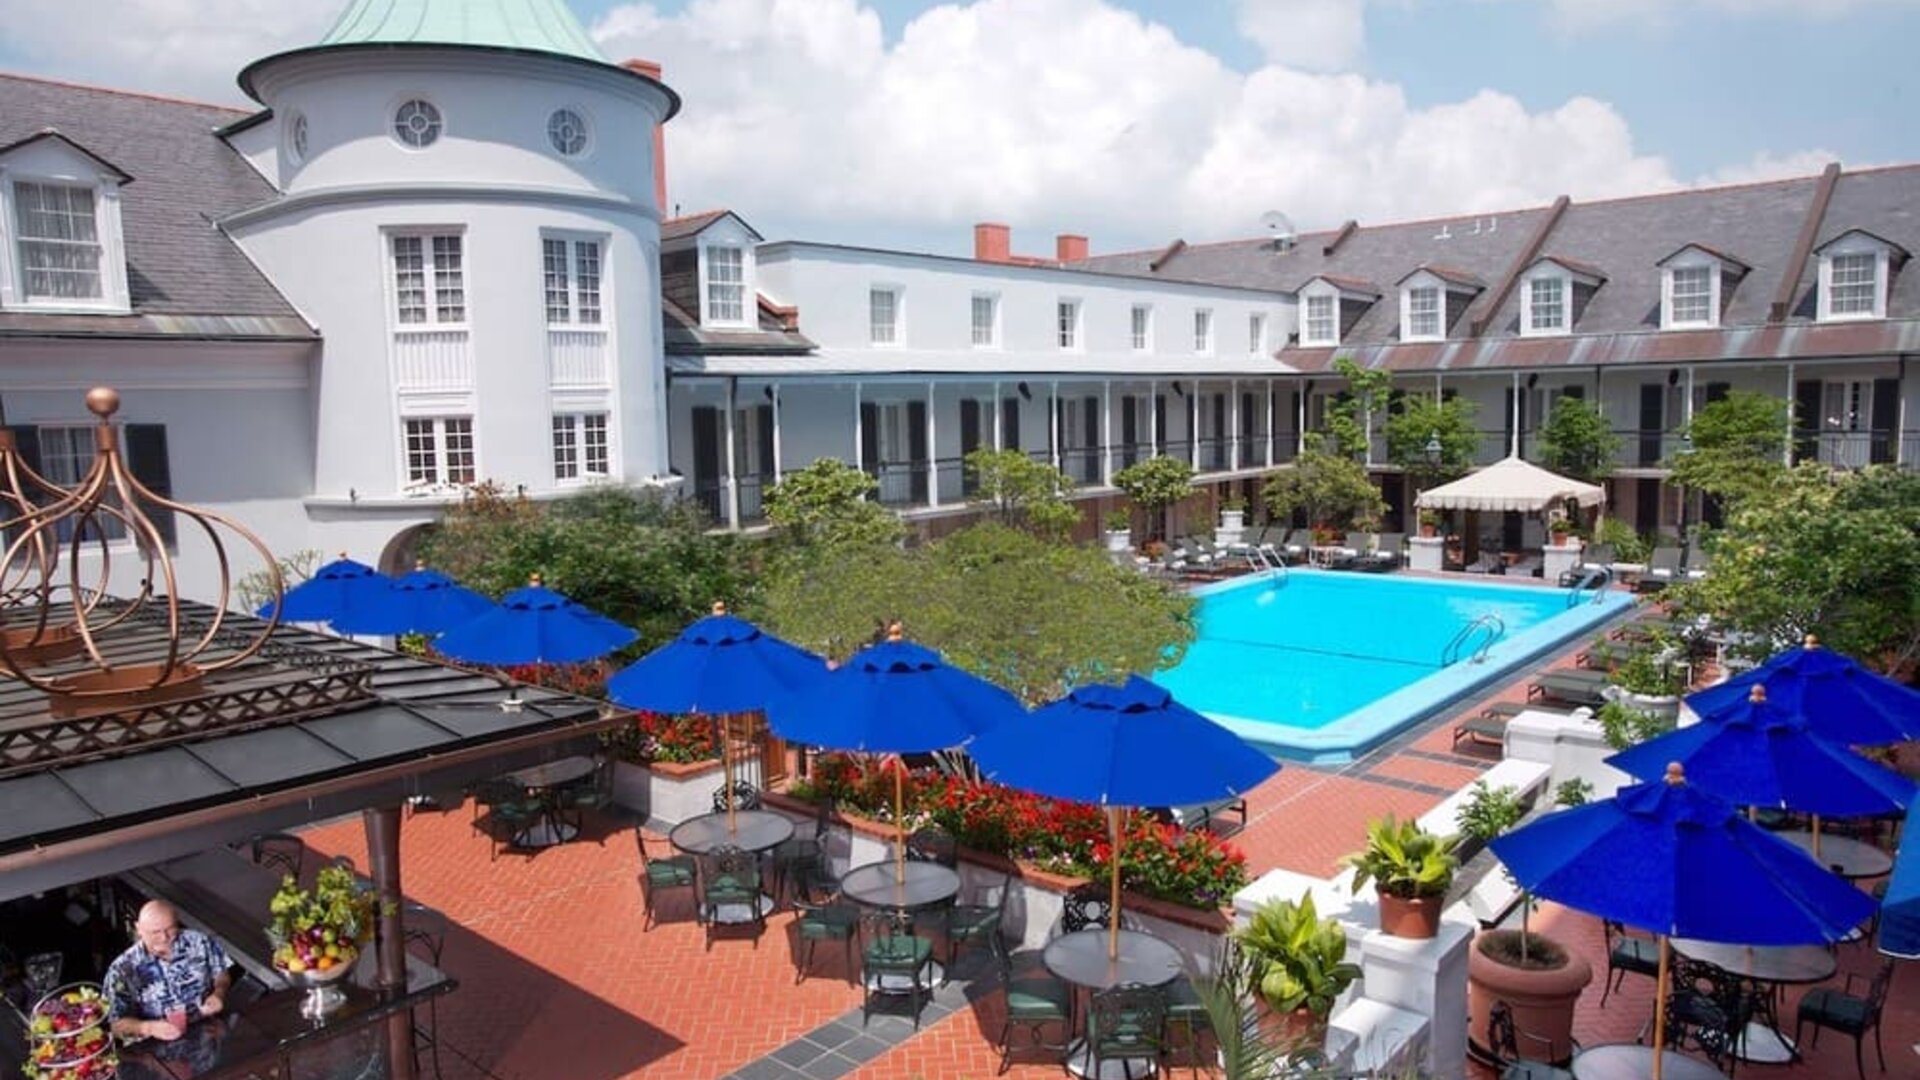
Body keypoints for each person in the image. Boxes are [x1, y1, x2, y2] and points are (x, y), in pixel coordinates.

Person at [105, 900, 233, 1043]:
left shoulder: (199, 941)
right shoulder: (122, 969)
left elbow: (221, 973)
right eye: (155, 932)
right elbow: (115, 1026)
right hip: (156, 1052)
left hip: (206, 1037)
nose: (164, 937)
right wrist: (148, 1028)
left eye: (170, 928)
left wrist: (219, 993)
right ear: (138, 929)